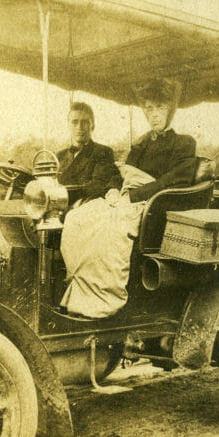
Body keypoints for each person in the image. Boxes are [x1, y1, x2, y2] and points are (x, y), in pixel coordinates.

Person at [59, 79, 198, 318]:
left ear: (171, 110)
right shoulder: (140, 144)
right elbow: (121, 174)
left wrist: (133, 196)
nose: (154, 115)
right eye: (149, 109)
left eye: (160, 108)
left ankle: (104, 298)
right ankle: (80, 291)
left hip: (153, 202)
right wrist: (114, 191)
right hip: (127, 196)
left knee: (110, 227)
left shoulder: (183, 143)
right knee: (78, 218)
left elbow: (175, 180)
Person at [56, 102, 121, 205]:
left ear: (92, 125)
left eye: (85, 122)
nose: (79, 127)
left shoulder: (102, 152)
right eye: (74, 122)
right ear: (68, 125)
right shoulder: (59, 156)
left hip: (81, 207)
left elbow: (98, 186)